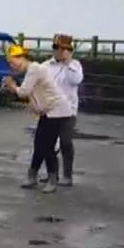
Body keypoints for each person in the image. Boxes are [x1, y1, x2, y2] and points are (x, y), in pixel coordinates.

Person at [2, 45, 73, 193]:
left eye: (13, 62)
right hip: (48, 111)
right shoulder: (34, 69)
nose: (12, 66)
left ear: (21, 58)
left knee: (46, 145)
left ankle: (52, 179)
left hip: (56, 111)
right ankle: (32, 176)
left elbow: (24, 92)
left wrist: (12, 86)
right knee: (39, 143)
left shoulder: (34, 69)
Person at [42, 34, 84, 186]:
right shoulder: (46, 66)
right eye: (58, 49)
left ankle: (68, 175)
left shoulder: (75, 66)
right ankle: (51, 174)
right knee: (48, 144)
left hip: (68, 111)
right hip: (50, 110)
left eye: (65, 49)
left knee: (66, 141)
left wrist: (68, 63)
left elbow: (76, 80)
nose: (60, 52)